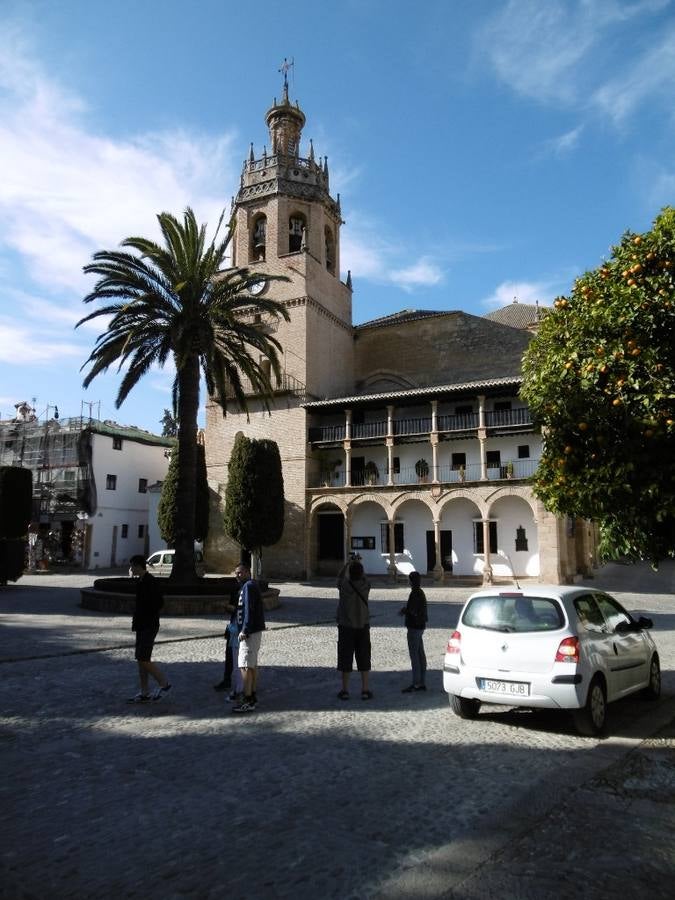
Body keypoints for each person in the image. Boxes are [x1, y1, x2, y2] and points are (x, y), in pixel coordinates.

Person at [127, 554, 171, 703]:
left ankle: (164, 684)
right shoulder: (140, 581)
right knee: (140, 659)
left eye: (132, 566)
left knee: (144, 658)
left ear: (138, 566)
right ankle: (144, 691)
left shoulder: (151, 582)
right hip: (140, 625)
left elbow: (159, 603)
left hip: (148, 625)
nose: (130, 569)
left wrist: (146, 614)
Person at [336, 555, 373, 700]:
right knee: (364, 656)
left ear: (349, 574)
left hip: (346, 626)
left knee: (345, 657)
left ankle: (345, 690)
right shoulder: (365, 587)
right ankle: (365, 689)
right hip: (363, 625)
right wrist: (358, 564)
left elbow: (339, 578)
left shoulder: (344, 587)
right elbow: (365, 578)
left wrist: (348, 564)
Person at [232, 563, 265, 714]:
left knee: (244, 666)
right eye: (236, 573)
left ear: (247, 572)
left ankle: (247, 699)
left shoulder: (249, 586)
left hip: (249, 632)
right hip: (251, 631)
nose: (237, 575)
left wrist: (245, 629)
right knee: (250, 665)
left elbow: (249, 610)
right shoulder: (248, 586)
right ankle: (252, 696)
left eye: (240, 572)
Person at [398, 570, 428, 692]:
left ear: (411, 581)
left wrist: (405, 611)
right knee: (420, 654)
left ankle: (416, 683)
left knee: (415, 656)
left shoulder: (415, 593)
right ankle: (422, 681)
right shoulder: (420, 592)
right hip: (420, 626)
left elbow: (413, 611)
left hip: (414, 627)